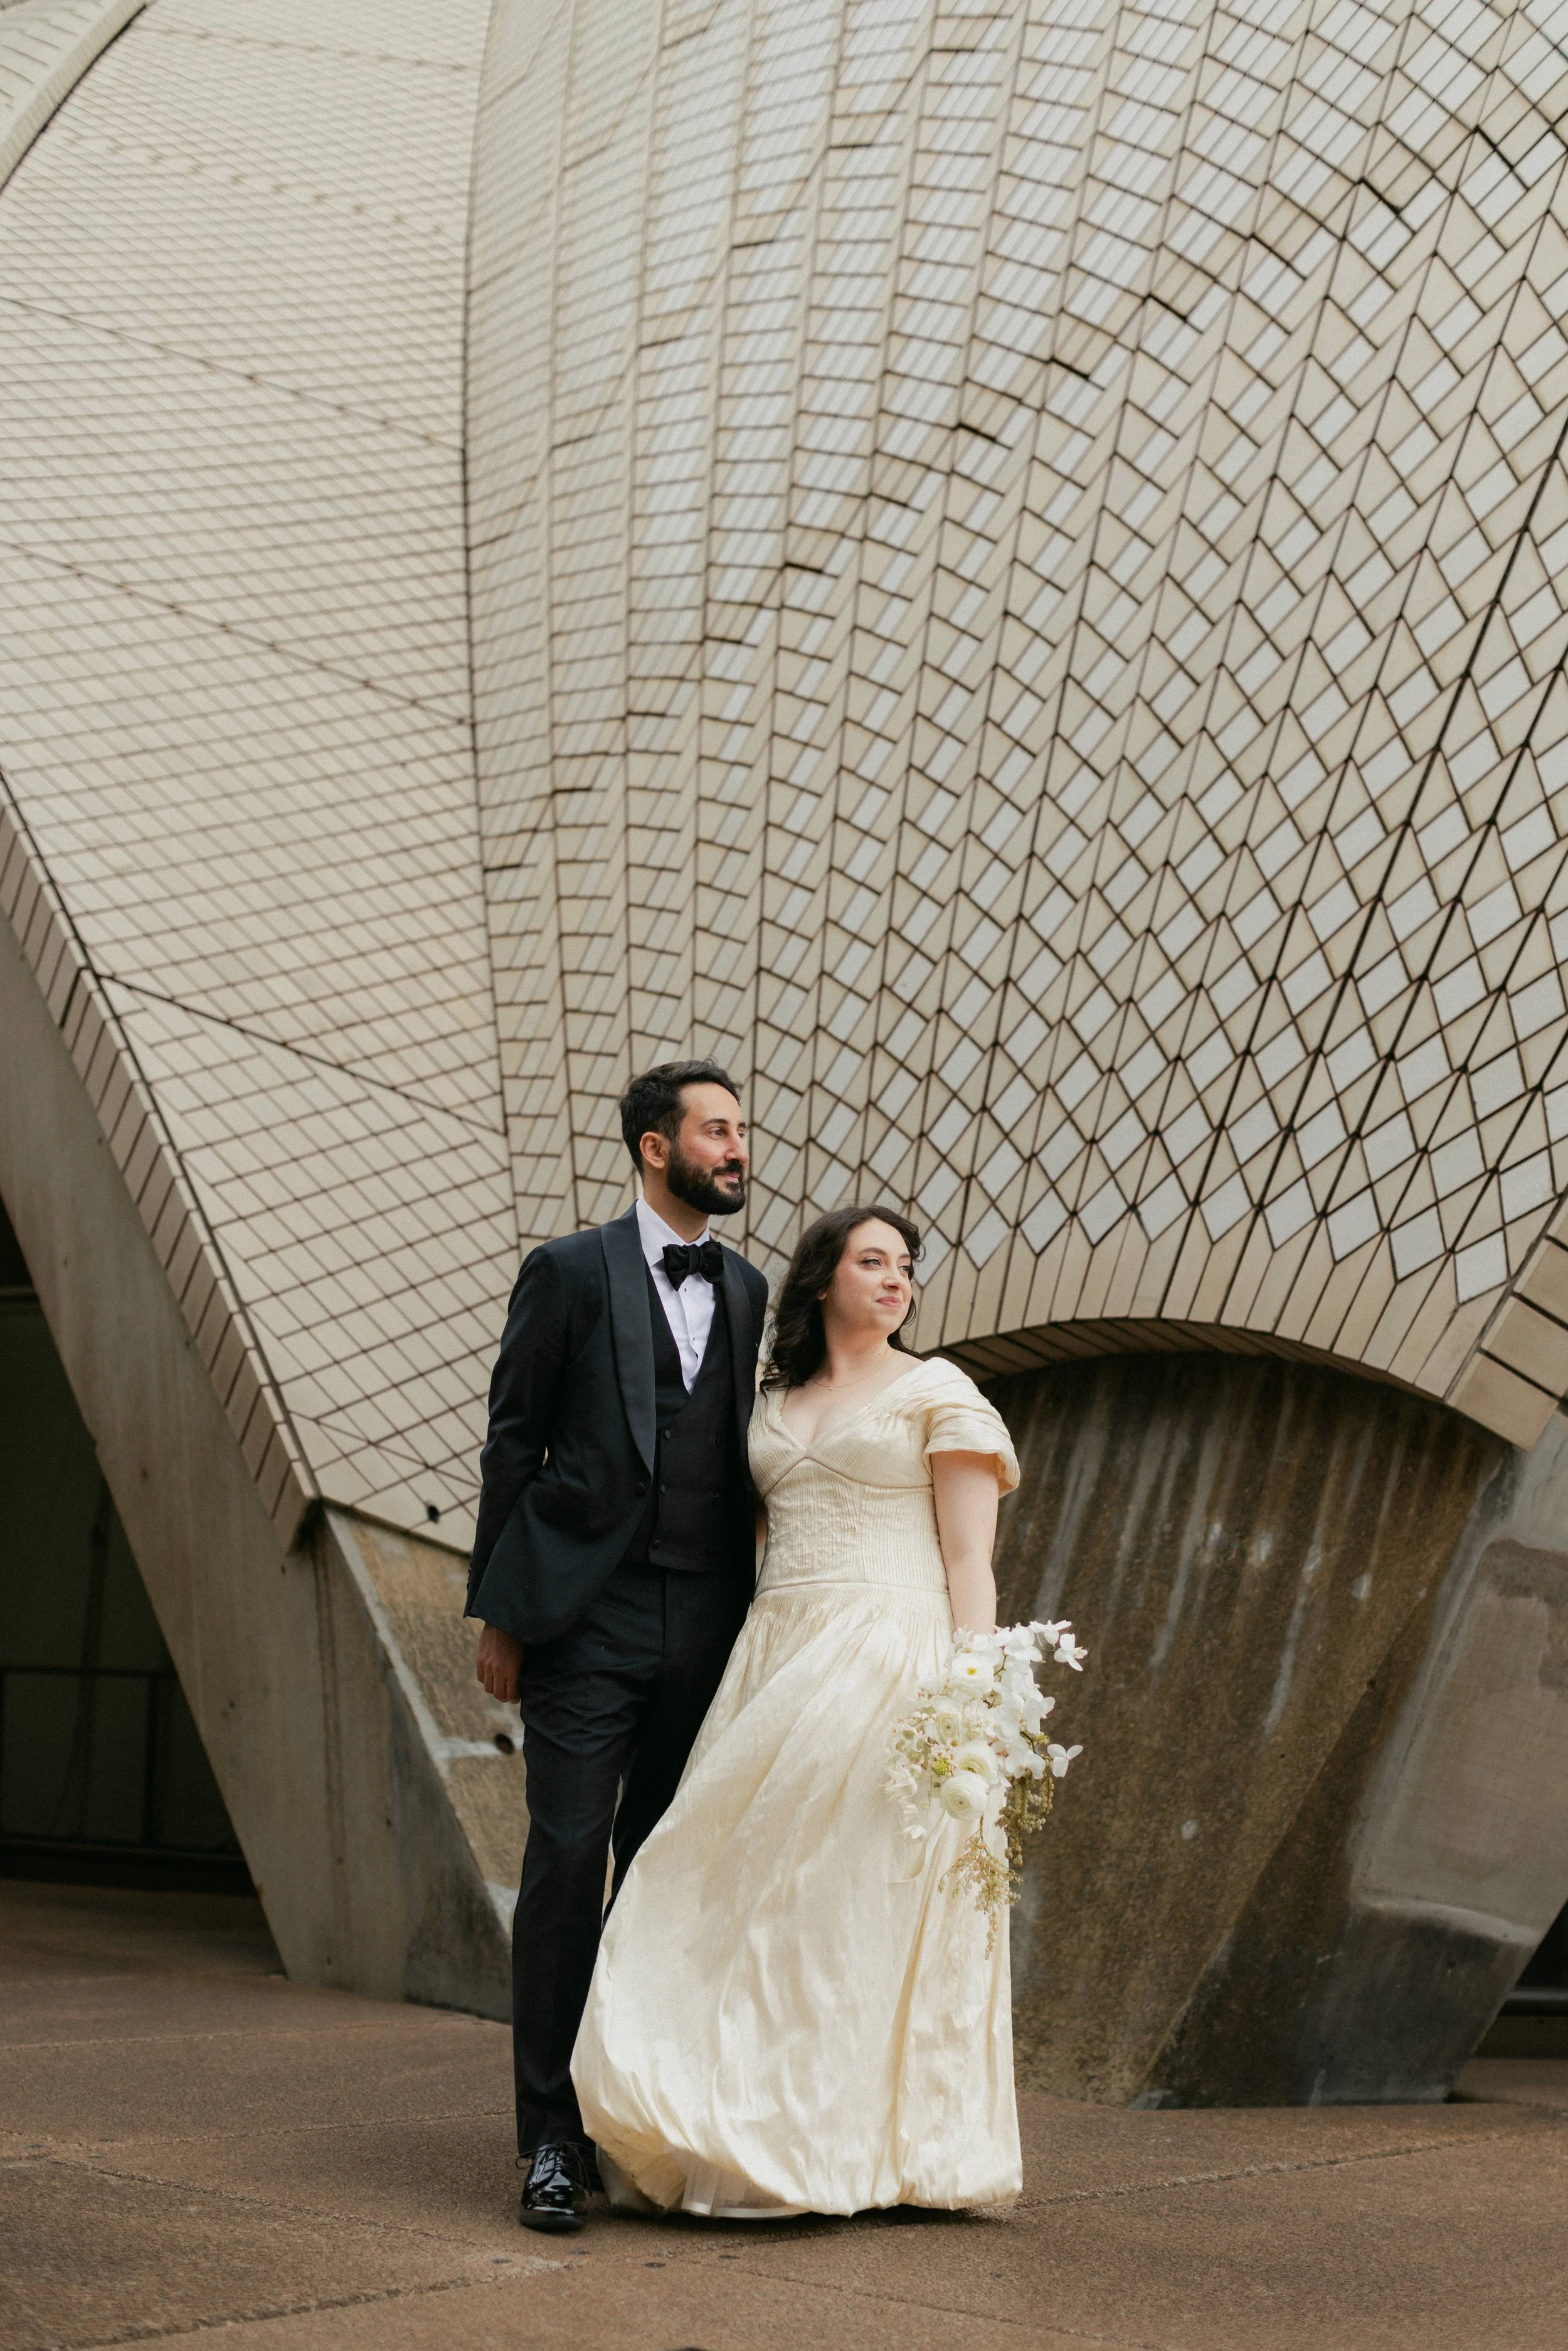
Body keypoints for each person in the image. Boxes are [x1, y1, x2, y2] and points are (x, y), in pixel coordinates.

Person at [572, 1204, 1022, 2219]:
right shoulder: (770, 1401)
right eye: (873, 1262)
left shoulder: (938, 1391)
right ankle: (728, 2116)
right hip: (773, 1651)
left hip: (889, 1655)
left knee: (838, 1904)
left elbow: (968, 1563)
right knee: (716, 1879)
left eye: (906, 1266)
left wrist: (972, 1698)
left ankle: (838, 2147)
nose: (896, 1280)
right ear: (824, 1280)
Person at [467, 1061, 770, 2233]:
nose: (737, 1149)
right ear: (656, 1147)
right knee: (564, 1866)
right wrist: (505, 1612)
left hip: (705, 1617)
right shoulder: (569, 1271)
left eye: (741, 1131)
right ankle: (548, 2142)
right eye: (716, 1131)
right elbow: (514, 1442)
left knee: (661, 1877)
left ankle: (626, 2121)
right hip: (585, 1618)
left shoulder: (744, 1287)